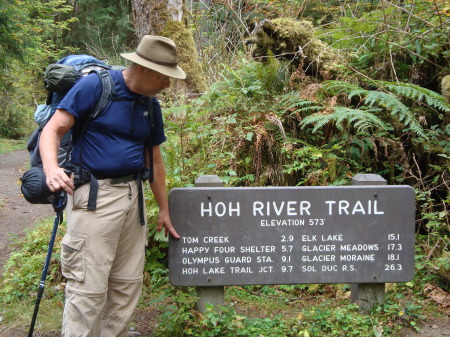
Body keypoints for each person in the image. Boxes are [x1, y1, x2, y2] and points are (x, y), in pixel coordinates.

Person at [39, 35, 183, 336]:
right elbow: (53, 129)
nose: (168, 84)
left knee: (127, 284)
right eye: (164, 77)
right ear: (143, 68)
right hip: (95, 198)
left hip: (135, 199)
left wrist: (164, 209)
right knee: (88, 286)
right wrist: (52, 168)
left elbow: (154, 160)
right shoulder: (95, 87)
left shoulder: (150, 104)